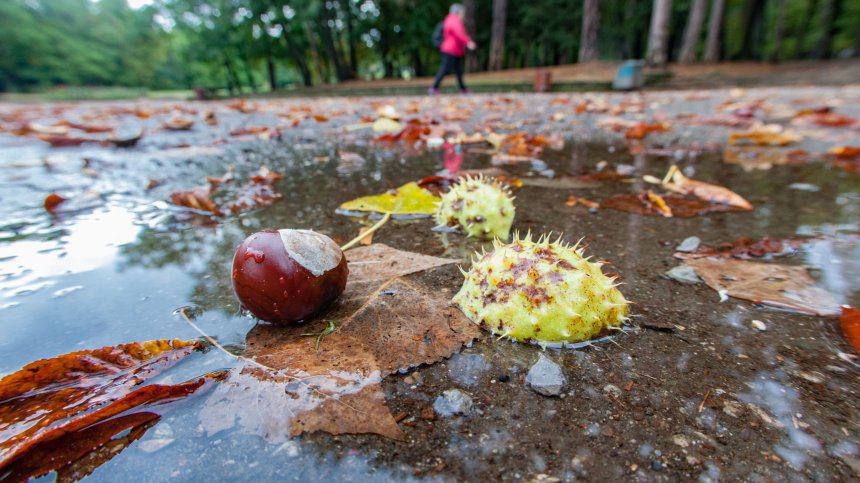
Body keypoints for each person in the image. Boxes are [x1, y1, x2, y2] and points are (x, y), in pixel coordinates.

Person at [429, 4, 476, 95]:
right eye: (462, 13)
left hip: (454, 49)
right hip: (451, 49)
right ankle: (434, 87)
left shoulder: (449, 19)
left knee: (458, 70)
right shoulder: (454, 20)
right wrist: (468, 42)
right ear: (458, 12)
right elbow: (459, 33)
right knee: (445, 69)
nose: (463, 15)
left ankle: (463, 89)